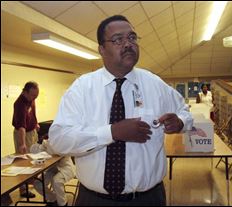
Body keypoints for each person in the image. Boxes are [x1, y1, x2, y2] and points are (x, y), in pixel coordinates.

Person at [49, 15, 195, 206]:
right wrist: (112, 132)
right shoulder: (82, 89)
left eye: (132, 38)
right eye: (118, 39)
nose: (128, 44)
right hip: (94, 200)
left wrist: (181, 122)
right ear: (101, 49)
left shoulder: (154, 84)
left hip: (147, 199)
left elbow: (185, 111)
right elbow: (58, 140)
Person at [12, 81, 39, 198]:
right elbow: (21, 127)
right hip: (22, 133)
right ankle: (23, 190)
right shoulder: (19, 104)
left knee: (33, 158)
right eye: (33, 95)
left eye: (36, 96)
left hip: (31, 131)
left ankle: (31, 181)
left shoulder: (31, 99)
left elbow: (33, 112)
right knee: (22, 162)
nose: (34, 98)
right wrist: (22, 143)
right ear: (25, 92)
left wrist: (36, 123)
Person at [30, 136, 76, 206]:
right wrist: (38, 143)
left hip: (66, 168)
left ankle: (63, 203)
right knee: (38, 184)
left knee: (56, 180)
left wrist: (46, 143)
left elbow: (57, 153)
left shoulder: (61, 142)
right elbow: (33, 151)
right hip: (52, 168)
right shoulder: (45, 143)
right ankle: (53, 199)